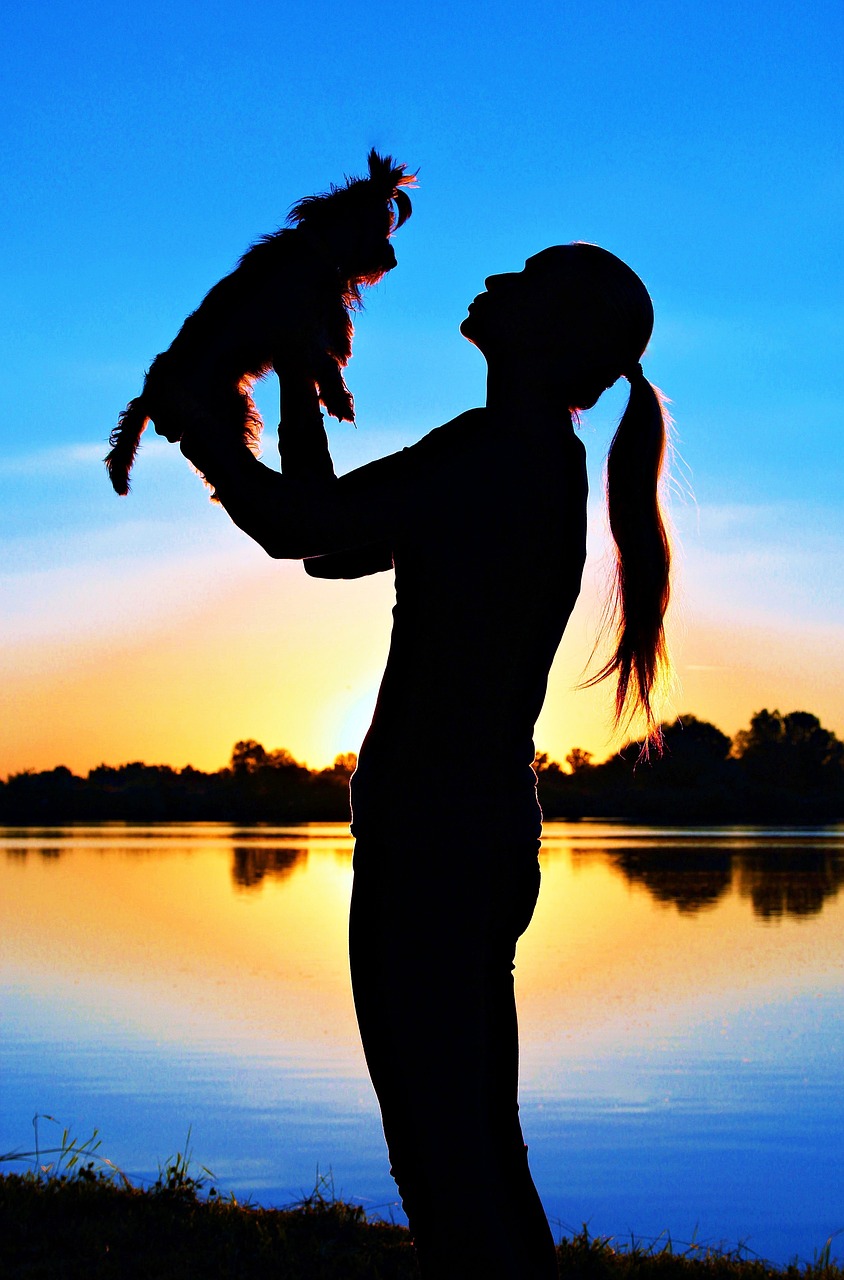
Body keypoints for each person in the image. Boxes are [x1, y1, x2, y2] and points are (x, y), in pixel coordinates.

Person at [173, 242, 672, 1279]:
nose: (496, 279)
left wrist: (201, 429)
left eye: (527, 280)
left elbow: (297, 525)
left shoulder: (497, 451)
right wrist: (302, 378)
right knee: (478, 1149)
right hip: (473, 834)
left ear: (553, 335)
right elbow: (331, 543)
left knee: (447, 1166)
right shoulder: (522, 450)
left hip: (436, 842)